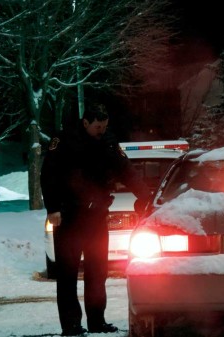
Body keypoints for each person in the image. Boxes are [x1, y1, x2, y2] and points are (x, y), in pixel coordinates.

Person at [40, 103, 150, 336]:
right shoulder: (65, 141)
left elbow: (127, 171)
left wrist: (147, 197)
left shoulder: (108, 142)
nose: (101, 130)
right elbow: (48, 175)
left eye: (104, 126)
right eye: (98, 126)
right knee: (68, 275)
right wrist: (53, 208)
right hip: (69, 217)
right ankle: (70, 325)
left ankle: (97, 322)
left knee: (98, 273)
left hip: (97, 217)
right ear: (86, 122)